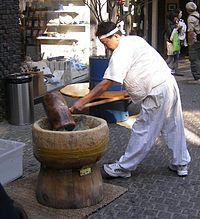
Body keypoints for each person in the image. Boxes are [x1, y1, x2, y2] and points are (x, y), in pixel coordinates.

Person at [70, 21, 191, 178]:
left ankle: (124, 167)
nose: (106, 48)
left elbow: (107, 82)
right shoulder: (134, 40)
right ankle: (181, 163)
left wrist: (82, 101)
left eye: (106, 43)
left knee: (143, 129)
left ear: (115, 36)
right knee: (173, 124)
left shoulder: (121, 51)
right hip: (168, 84)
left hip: (157, 91)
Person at [185, 2, 200, 80]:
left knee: (194, 58)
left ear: (187, 9)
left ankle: (197, 76)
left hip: (196, 39)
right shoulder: (198, 15)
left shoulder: (191, 18)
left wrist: (190, 43)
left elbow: (191, 31)